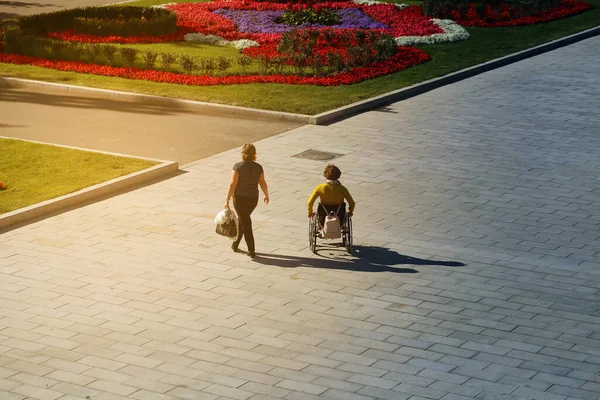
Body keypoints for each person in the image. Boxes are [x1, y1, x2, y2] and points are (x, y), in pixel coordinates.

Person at [224, 144, 269, 258]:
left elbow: (232, 184)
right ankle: (235, 244)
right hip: (253, 199)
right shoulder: (258, 167)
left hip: (239, 198)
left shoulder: (238, 166)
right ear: (254, 154)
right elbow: (262, 182)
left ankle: (251, 250)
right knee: (243, 220)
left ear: (243, 153)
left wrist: (227, 200)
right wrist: (266, 194)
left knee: (246, 223)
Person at [308, 164, 355, 230]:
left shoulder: (320, 188)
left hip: (323, 218)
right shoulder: (342, 189)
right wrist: (350, 212)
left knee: (320, 207)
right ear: (338, 176)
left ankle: (320, 226)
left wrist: (310, 213)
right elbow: (352, 203)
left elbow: (310, 202)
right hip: (340, 217)